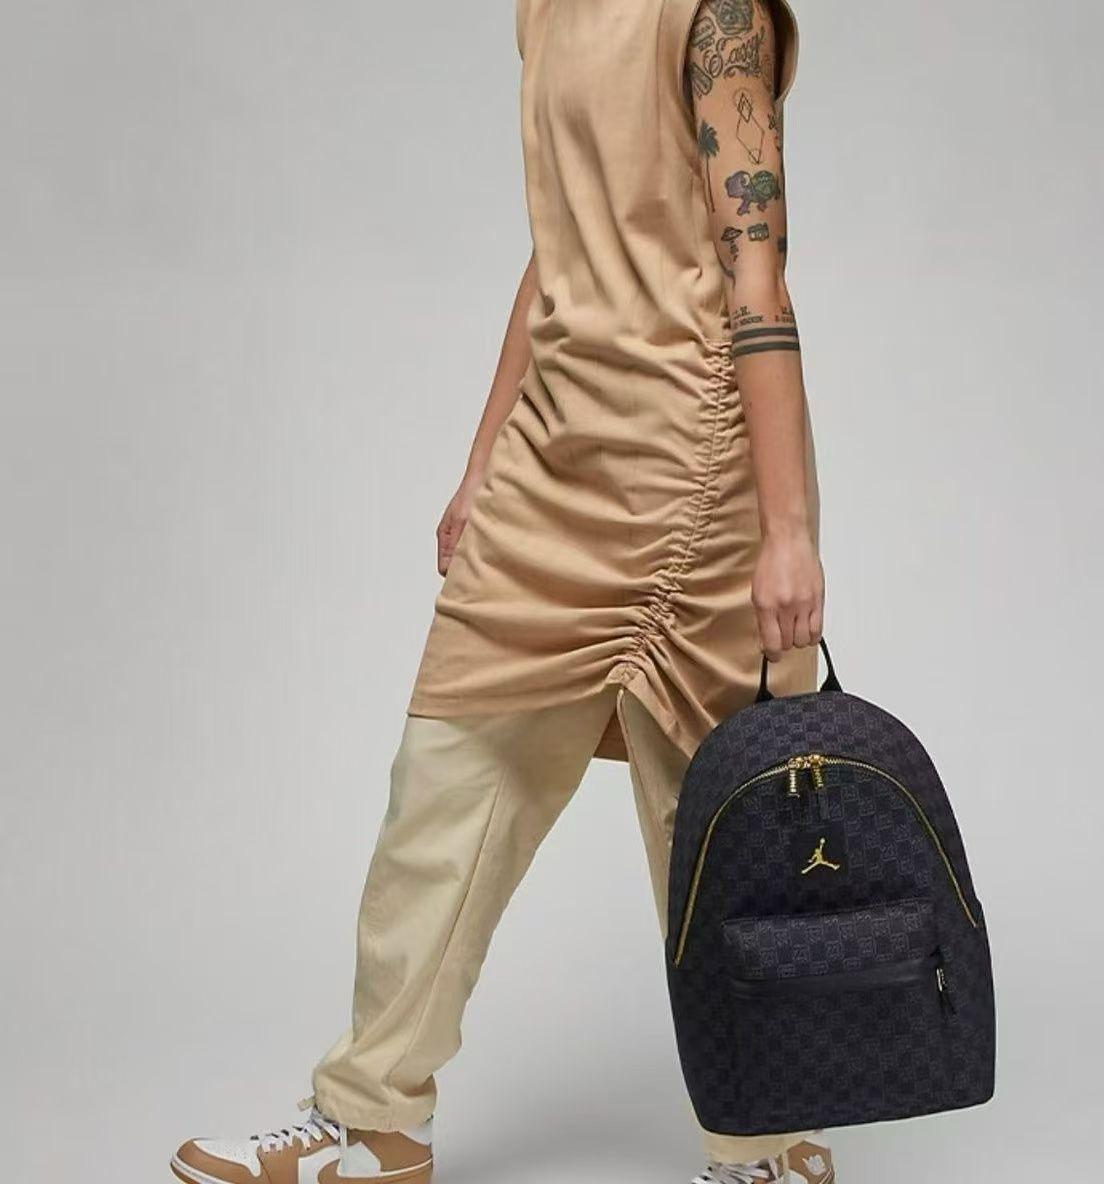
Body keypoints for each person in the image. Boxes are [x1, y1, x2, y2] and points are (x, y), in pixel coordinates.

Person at [170, 2, 835, 1182]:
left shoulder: (716, 13)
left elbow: (755, 269)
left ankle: (764, 1145)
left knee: (708, 821)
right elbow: (557, 253)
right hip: (555, 454)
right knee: (444, 781)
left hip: (681, 465)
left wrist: (788, 530)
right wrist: (486, 461)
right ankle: (372, 1115)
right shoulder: (545, 9)